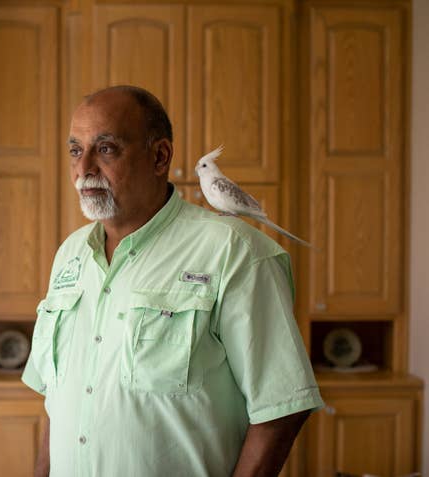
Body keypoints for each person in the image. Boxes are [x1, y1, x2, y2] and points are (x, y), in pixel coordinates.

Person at [21, 85, 323, 477]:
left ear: (160, 156)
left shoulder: (235, 252)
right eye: (76, 151)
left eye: (106, 149)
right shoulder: (69, 255)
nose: (85, 169)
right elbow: (58, 399)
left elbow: (282, 408)